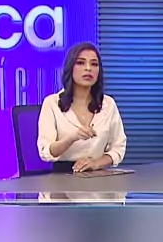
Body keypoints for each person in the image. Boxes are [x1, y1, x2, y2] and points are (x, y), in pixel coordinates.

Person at [37, 42, 126, 173]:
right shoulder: (52, 103)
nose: (88, 68)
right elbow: (46, 151)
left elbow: (118, 147)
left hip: (98, 175)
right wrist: (72, 137)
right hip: (62, 177)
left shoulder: (108, 104)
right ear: (70, 68)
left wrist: (97, 163)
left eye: (94, 64)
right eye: (80, 63)